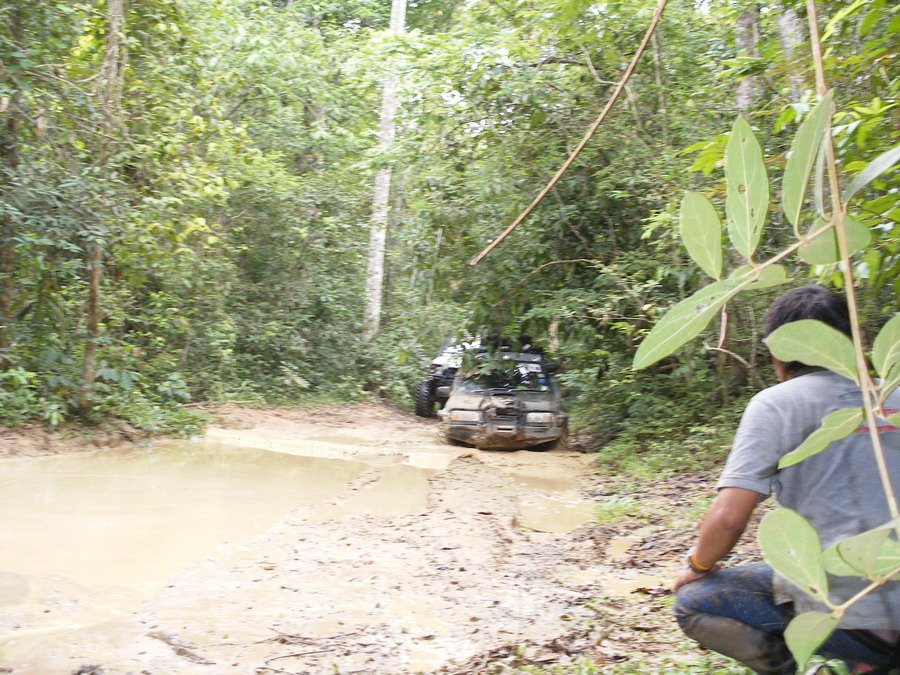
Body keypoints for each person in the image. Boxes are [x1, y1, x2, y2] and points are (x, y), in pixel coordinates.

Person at [673, 285, 900, 673]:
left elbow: (729, 518)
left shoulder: (776, 405)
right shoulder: (892, 395)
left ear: (778, 352)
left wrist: (696, 567)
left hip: (850, 615)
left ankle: (825, 665)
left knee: (694, 602)